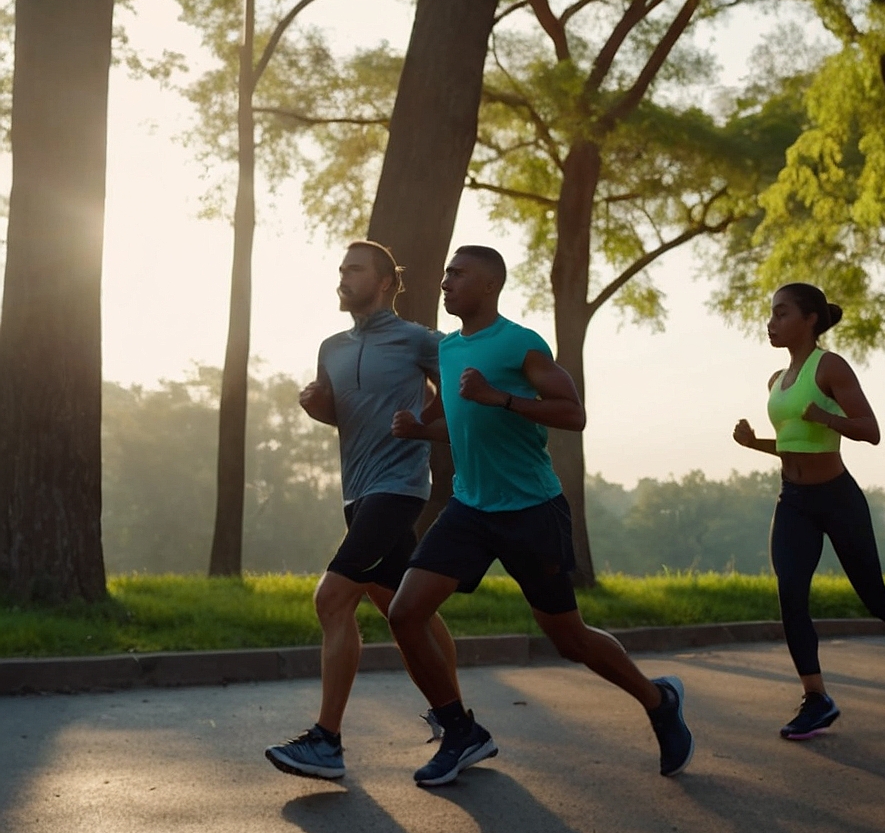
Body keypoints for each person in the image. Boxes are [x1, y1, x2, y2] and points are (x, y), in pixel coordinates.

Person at [386, 244, 694, 786]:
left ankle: (658, 699)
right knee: (405, 613)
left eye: (457, 274)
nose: (445, 281)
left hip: (532, 511)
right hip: (469, 508)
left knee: (569, 639)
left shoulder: (520, 343)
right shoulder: (451, 348)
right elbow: (461, 423)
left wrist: (499, 397)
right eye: (445, 273)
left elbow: (573, 414)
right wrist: (420, 429)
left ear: (489, 285)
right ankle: (461, 732)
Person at [264, 241, 460, 780]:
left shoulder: (418, 340)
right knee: (405, 608)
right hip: (358, 492)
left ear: (386, 282)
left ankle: (326, 741)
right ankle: (459, 724)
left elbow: (459, 383)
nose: (342, 279)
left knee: (331, 599)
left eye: (355, 270)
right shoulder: (330, 346)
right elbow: (345, 414)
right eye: (341, 270)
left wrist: (425, 425)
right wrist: (318, 407)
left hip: (398, 489)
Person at [733, 283, 885, 739]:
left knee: (873, 594)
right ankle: (816, 698)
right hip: (792, 500)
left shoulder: (829, 366)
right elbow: (795, 444)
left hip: (836, 497)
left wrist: (828, 418)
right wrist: (755, 442)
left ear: (810, 319)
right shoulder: (776, 381)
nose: (771, 323)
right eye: (771, 315)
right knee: (790, 596)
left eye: (782, 314)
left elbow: (869, 430)